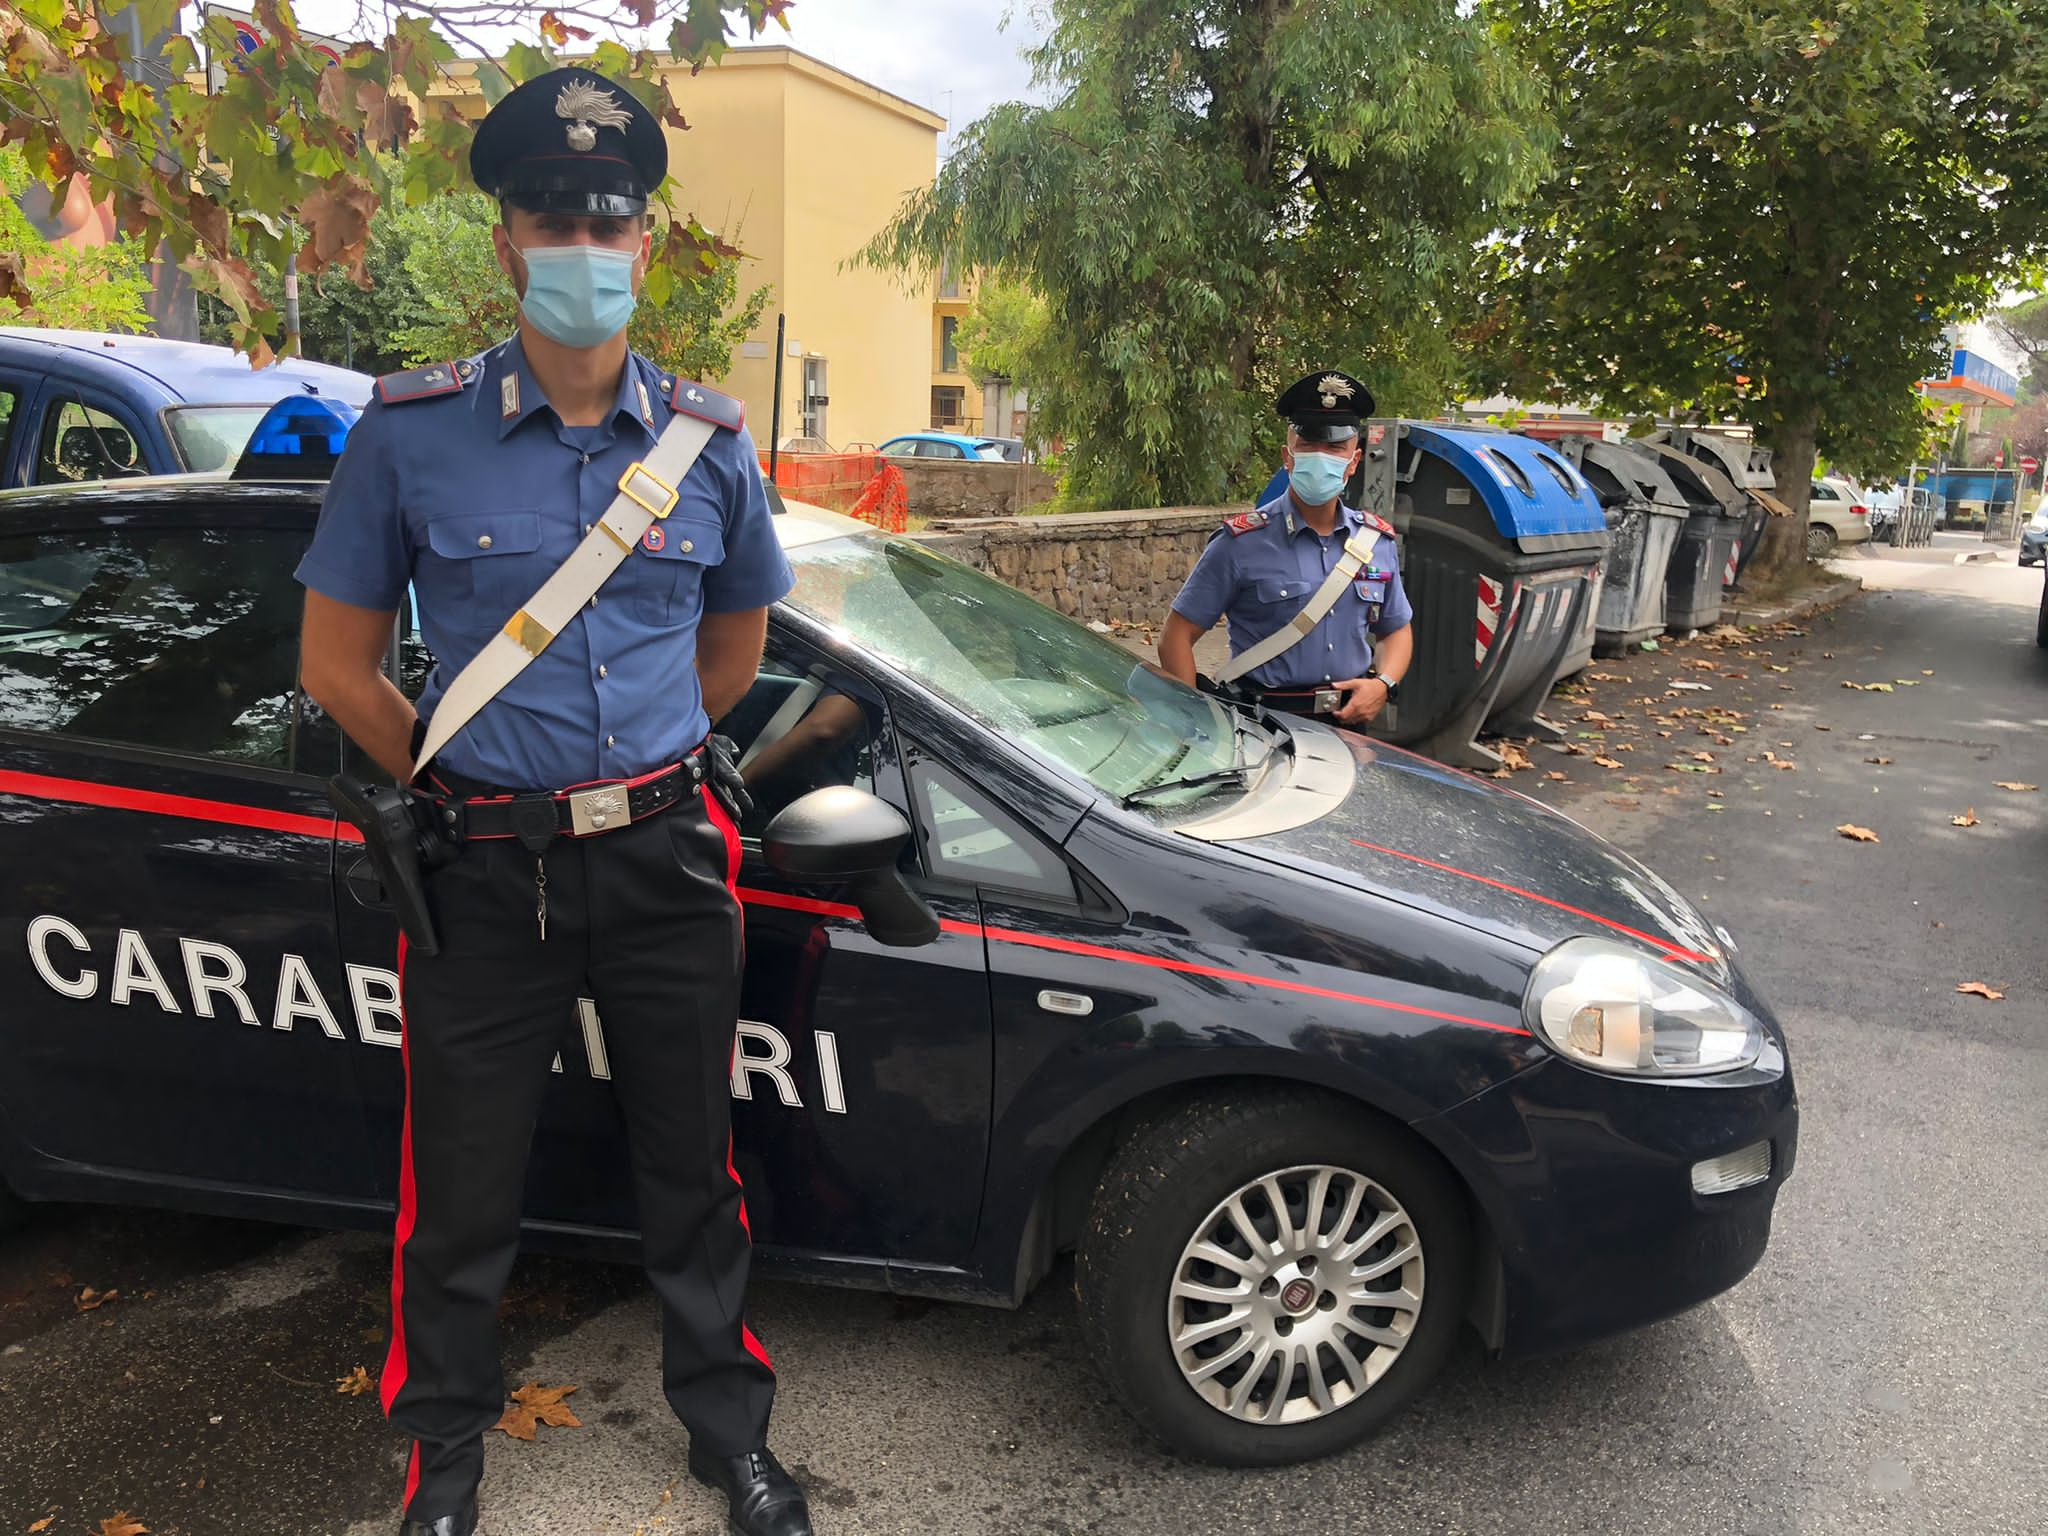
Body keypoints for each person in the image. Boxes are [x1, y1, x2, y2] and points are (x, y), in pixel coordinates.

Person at [294, 69, 812, 1536]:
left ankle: (732, 1436)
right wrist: (456, 778)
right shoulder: (410, 433)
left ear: (644, 241)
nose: (584, 238)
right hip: (484, 873)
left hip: (663, 861)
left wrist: (639, 769)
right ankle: (443, 1463)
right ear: (508, 240)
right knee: (455, 1199)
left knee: (692, 1176)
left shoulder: (707, 447)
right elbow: (336, 663)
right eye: (550, 213)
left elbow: (734, 649)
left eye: (612, 215)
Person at [1158, 370, 1414, 727]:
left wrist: (1384, 684)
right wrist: (1193, 721)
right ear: (1288, 456)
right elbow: (1176, 637)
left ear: (1353, 462)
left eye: (1335, 447)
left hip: (1352, 726)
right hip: (1264, 725)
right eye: (1308, 445)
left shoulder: (1375, 542)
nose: (1321, 457)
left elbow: (1396, 629)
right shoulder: (1241, 543)